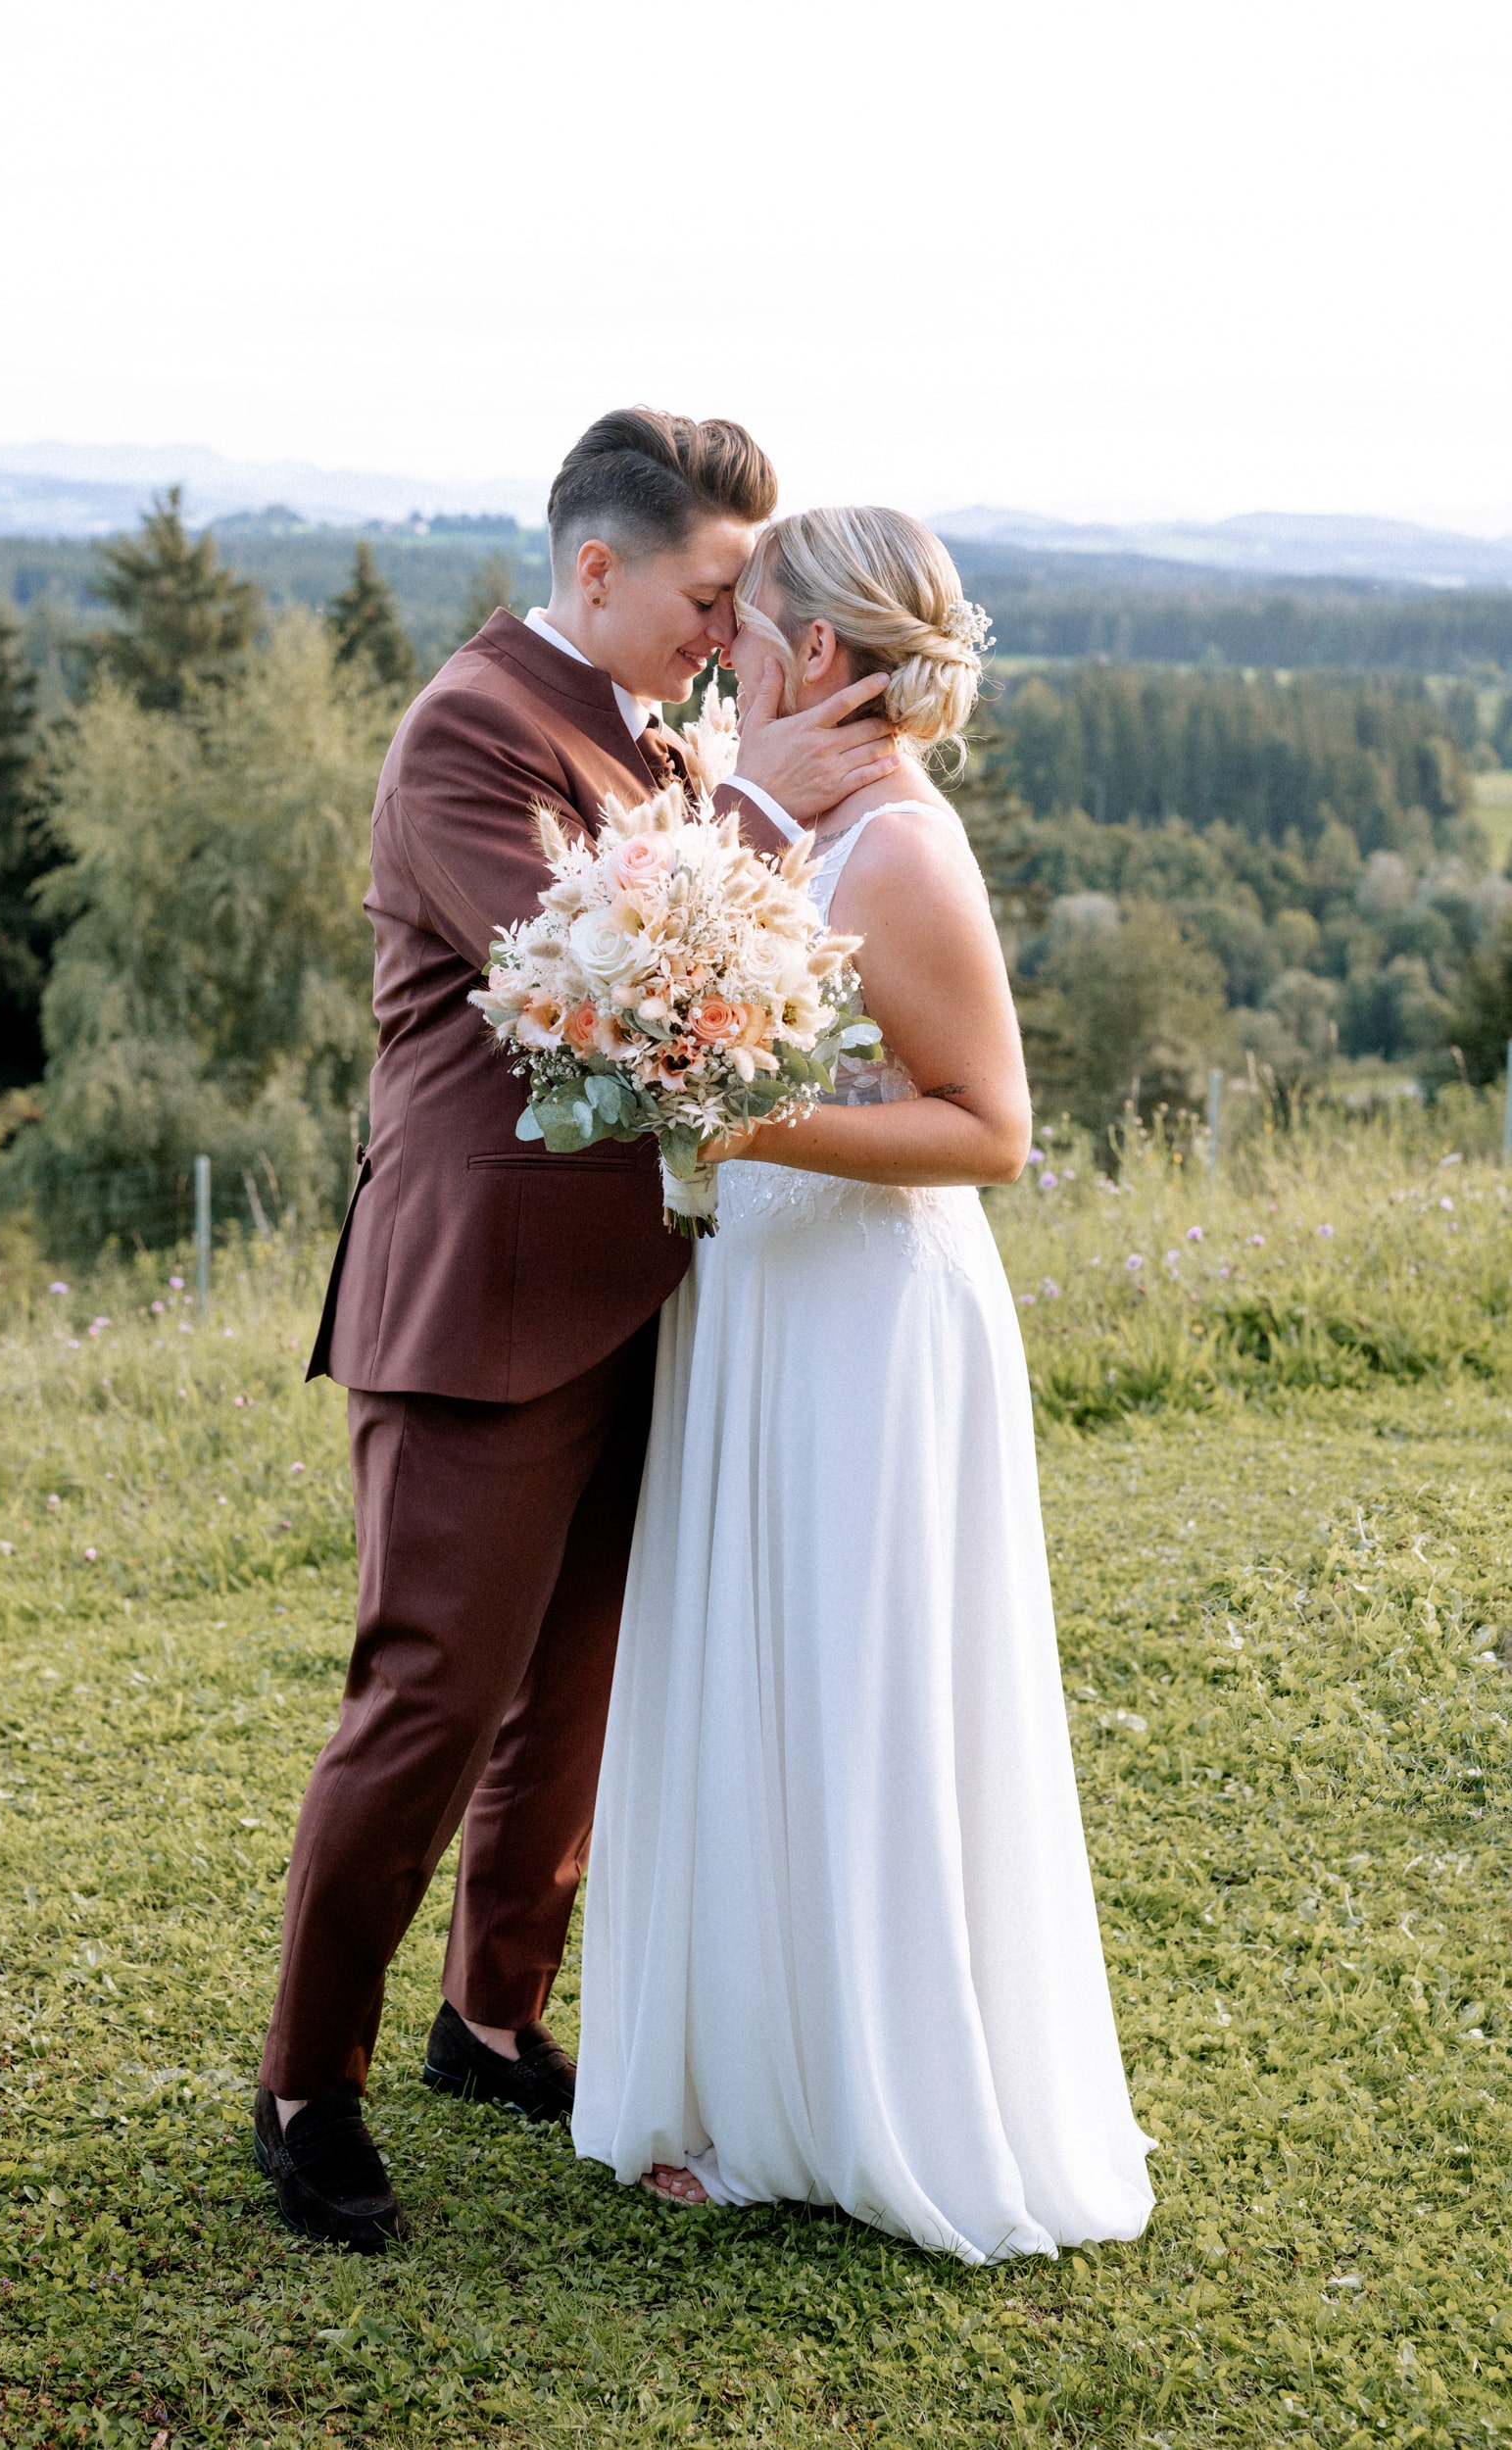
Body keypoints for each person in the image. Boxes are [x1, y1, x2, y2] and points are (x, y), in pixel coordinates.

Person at [252, 413, 902, 2249]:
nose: (729, 632)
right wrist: (766, 816)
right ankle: (307, 2080)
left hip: (638, 1283)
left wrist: (739, 790)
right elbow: (596, 1002)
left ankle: (490, 2011)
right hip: (482, 1296)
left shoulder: (648, 733)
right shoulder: (473, 728)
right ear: (599, 569)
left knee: (578, 1683)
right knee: (434, 1691)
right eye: (710, 594)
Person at [573, 506, 1156, 2259]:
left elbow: (994, 1126)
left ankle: (854, 2100)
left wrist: (742, 1122)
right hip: (766, 1301)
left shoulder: (900, 849)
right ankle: (760, 2078)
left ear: (813, 655)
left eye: (745, 626)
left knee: (850, 1679)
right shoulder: (793, 814)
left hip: (868, 1321)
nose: (725, 650)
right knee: (762, 1667)